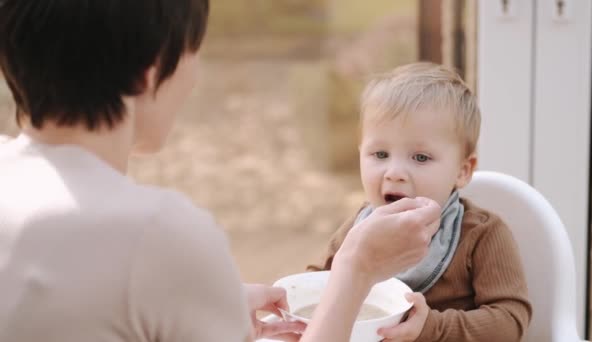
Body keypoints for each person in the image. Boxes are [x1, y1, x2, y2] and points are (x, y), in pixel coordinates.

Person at [0, 1, 441, 341]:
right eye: (194, 49)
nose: (194, 76)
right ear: (145, 73)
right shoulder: (158, 234)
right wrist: (356, 269)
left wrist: (208, 306)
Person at [308, 63, 533, 341]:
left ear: (463, 170)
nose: (395, 173)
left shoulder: (481, 235)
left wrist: (430, 328)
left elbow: (510, 321)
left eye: (421, 158)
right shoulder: (358, 228)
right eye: (380, 154)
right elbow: (316, 283)